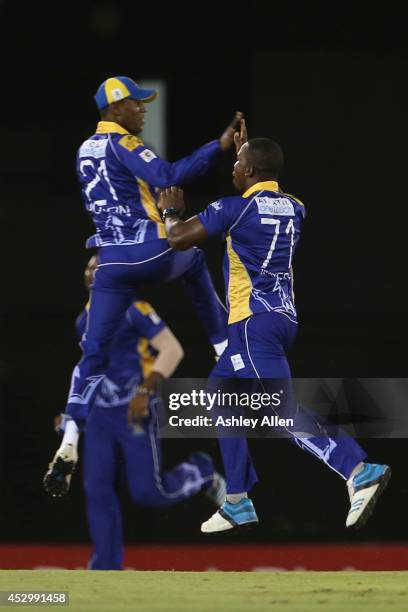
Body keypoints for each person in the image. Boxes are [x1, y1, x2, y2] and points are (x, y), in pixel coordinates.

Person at [155, 136, 391, 533]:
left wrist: (171, 212)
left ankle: (358, 468)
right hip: (281, 320)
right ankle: (237, 501)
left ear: (247, 171)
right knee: (219, 394)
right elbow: (264, 187)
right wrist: (249, 152)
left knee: (280, 412)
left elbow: (178, 239)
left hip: (251, 324)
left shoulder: (235, 208)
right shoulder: (296, 207)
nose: (231, 169)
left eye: (236, 165)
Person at [46, 75, 240, 479]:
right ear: (115, 109)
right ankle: (226, 350)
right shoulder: (123, 142)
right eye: (136, 103)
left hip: (111, 263)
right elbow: (168, 175)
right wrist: (217, 148)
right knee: (196, 261)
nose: (143, 108)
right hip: (148, 249)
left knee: (92, 355)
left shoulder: (84, 149)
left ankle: (70, 437)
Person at [44, 256, 226, 570]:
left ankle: (201, 472)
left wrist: (144, 392)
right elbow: (88, 373)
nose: (93, 272)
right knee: (97, 489)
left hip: (133, 409)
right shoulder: (82, 321)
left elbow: (172, 350)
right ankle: (106, 565)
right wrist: (72, 415)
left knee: (148, 493)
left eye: (100, 267)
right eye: (89, 267)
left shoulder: (134, 309)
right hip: (100, 415)